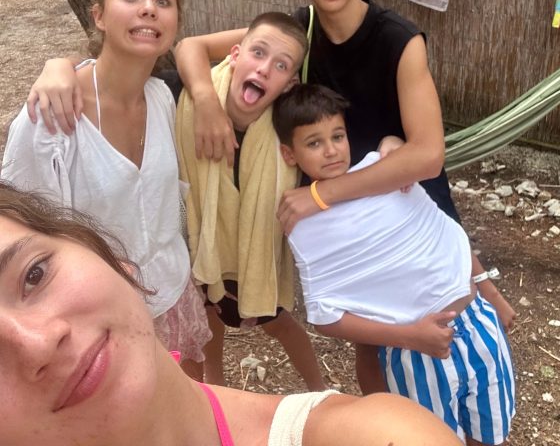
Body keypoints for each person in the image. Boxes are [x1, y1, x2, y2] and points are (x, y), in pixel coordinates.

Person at [25, 0, 515, 389]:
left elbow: (428, 156)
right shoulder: (298, 36)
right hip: (340, 211)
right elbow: (192, 47)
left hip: (396, 197)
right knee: (371, 339)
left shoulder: (398, 40)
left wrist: (320, 195)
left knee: (449, 330)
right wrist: (204, 101)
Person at [0, 181, 462, 446]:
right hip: (214, 265)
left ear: (111, 258)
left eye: (34, 275)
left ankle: (315, 382)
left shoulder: (367, 435)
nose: (38, 343)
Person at [1, 0, 211, 372]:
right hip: (95, 317)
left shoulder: (164, 98)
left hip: (172, 294)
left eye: (163, 0)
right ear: (98, 16)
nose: (149, 8)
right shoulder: (52, 118)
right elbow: (18, 229)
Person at [272, 83, 515, 446]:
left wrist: (489, 292)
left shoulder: (383, 169)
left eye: (337, 136)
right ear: (289, 154)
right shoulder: (304, 222)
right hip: (416, 354)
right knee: (431, 440)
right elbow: (324, 315)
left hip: (478, 325)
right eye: (314, 143)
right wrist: (410, 336)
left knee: (491, 436)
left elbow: (442, 230)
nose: (332, 150)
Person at [175, 12, 325, 390]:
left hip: (253, 256)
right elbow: (182, 48)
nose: (264, 69)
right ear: (234, 55)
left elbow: (331, 152)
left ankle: (320, 388)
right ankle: (212, 385)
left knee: (279, 324)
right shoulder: (187, 100)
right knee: (205, 317)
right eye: (257, 53)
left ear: (290, 84)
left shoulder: (288, 127)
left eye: (281, 66)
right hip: (199, 247)